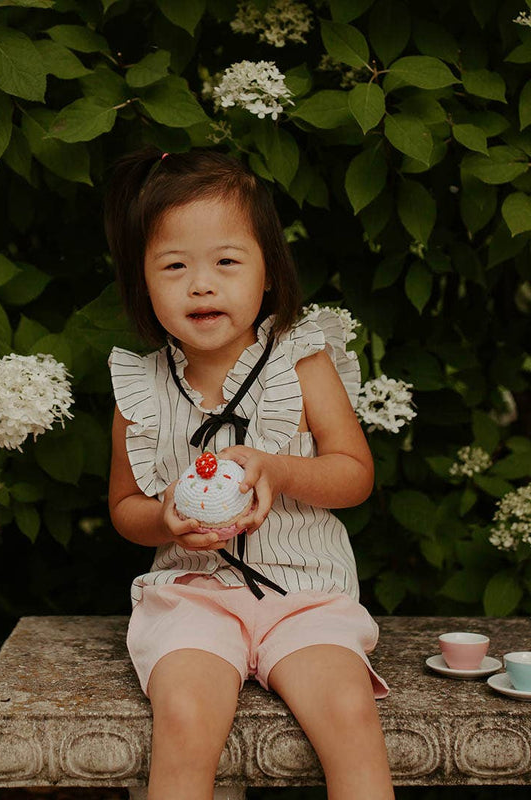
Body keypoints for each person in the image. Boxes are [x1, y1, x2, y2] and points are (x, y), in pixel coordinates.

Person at [104, 148, 394, 800]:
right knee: (184, 716)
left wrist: (277, 466)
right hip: (194, 594)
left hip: (304, 594)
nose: (201, 285)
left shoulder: (301, 364)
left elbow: (354, 476)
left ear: (267, 273)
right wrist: (165, 516)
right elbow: (125, 508)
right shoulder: (141, 390)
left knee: (349, 712)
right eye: (174, 266)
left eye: (226, 263)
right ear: (143, 282)